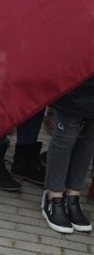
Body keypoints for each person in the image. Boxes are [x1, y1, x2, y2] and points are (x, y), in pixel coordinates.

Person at [41, 76, 94, 234]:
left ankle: (73, 196)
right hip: (77, 78)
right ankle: (54, 196)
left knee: (90, 140)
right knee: (65, 138)